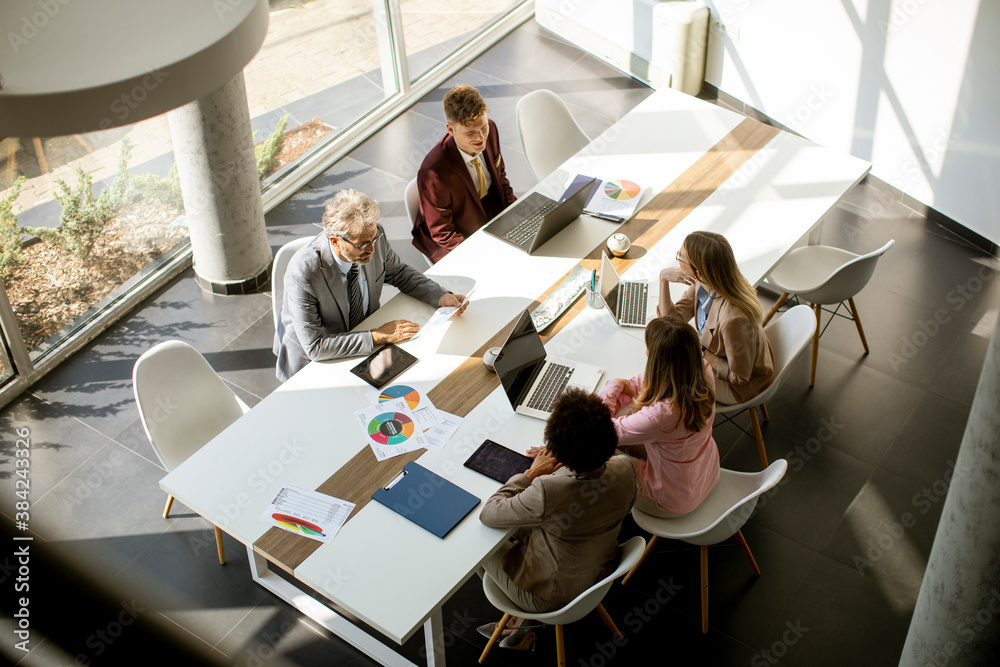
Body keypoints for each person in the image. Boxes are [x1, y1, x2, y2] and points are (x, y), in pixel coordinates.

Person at [478, 388, 637, 650]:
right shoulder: (627, 468)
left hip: (548, 596)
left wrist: (530, 474)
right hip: (599, 572)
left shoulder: (547, 490)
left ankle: (519, 621)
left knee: (478, 544)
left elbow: (490, 513)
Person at [274, 189, 467, 382]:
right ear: (335, 241)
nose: (372, 249)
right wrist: (377, 336)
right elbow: (316, 346)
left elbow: (398, 272)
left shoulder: (374, 236)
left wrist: (440, 296)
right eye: (363, 245)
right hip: (315, 362)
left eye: (373, 239)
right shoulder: (303, 273)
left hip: (364, 341)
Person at [599, 316, 720, 518]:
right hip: (706, 474)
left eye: (648, 350)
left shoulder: (661, 416)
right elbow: (641, 383)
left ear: (656, 360)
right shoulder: (701, 369)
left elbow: (601, 431)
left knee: (595, 449)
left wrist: (611, 387)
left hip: (670, 499)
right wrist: (625, 390)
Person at [659, 231, 774, 405]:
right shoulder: (705, 283)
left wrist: (701, 353)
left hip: (739, 388)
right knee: (660, 350)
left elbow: (739, 377)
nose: (677, 259)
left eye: (680, 257)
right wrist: (663, 280)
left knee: (666, 372)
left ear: (697, 271)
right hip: (720, 356)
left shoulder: (733, 319)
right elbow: (670, 321)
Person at [411, 84, 517, 263]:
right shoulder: (434, 172)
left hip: (487, 209)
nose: (480, 138)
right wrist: (482, 255)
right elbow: (443, 232)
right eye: (470, 133)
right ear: (451, 130)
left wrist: (517, 215)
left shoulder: (490, 129)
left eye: (483, 128)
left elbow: (501, 179)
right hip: (456, 234)